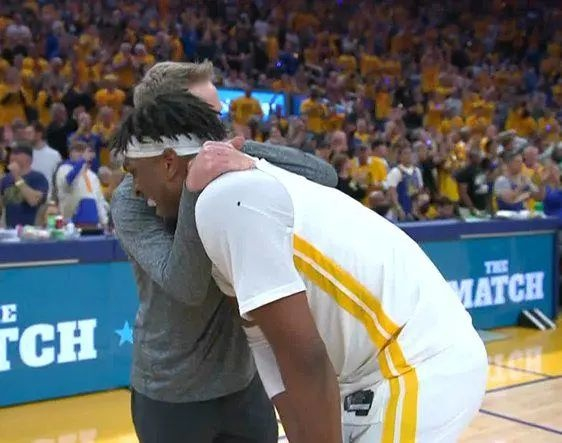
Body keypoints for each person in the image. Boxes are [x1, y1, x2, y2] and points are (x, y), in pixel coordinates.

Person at [115, 91, 488, 443]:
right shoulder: (213, 207)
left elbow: (304, 356)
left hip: (415, 360)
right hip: (368, 372)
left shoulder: (226, 199)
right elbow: (266, 345)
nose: (134, 189)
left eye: (133, 172)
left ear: (168, 163)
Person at [110, 61, 337, 443]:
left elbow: (324, 176)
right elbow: (187, 285)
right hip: (172, 393)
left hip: (244, 382)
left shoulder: (228, 168)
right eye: (210, 117)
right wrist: (194, 187)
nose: (221, 128)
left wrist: (241, 152)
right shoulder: (133, 198)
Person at [55, 142, 107, 227]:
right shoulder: (64, 169)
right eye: (78, 151)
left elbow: (99, 200)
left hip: (93, 222)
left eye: (84, 151)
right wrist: (82, 161)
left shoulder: (92, 175)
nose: (82, 154)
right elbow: (67, 182)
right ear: (70, 153)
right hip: (71, 221)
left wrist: (104, 221)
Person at [0, 142, 49, 227]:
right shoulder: (6, 179)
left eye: (16, 153)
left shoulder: (38, 178)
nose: (12, 156)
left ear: (28, 158)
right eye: (11, 153)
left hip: (32, 230)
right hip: (10, 231)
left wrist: (17, 177)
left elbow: (33, 201)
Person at [26, 122, 62, 198]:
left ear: (39, 134)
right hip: (28, 198)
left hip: (48, 199)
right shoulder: (24, 155)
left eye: (29, 133)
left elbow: (59, 179)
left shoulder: (54, 155)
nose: (26, 137)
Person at [455, 147, 489, 216]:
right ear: (472, 157)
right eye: (477, 155)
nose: (479, 157)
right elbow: (463, 193)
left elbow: (483, 189)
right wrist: (472, 208)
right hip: (468, 210)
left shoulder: (481, 170)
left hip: (481, 207)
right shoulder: (465, 172)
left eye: (480, 155)